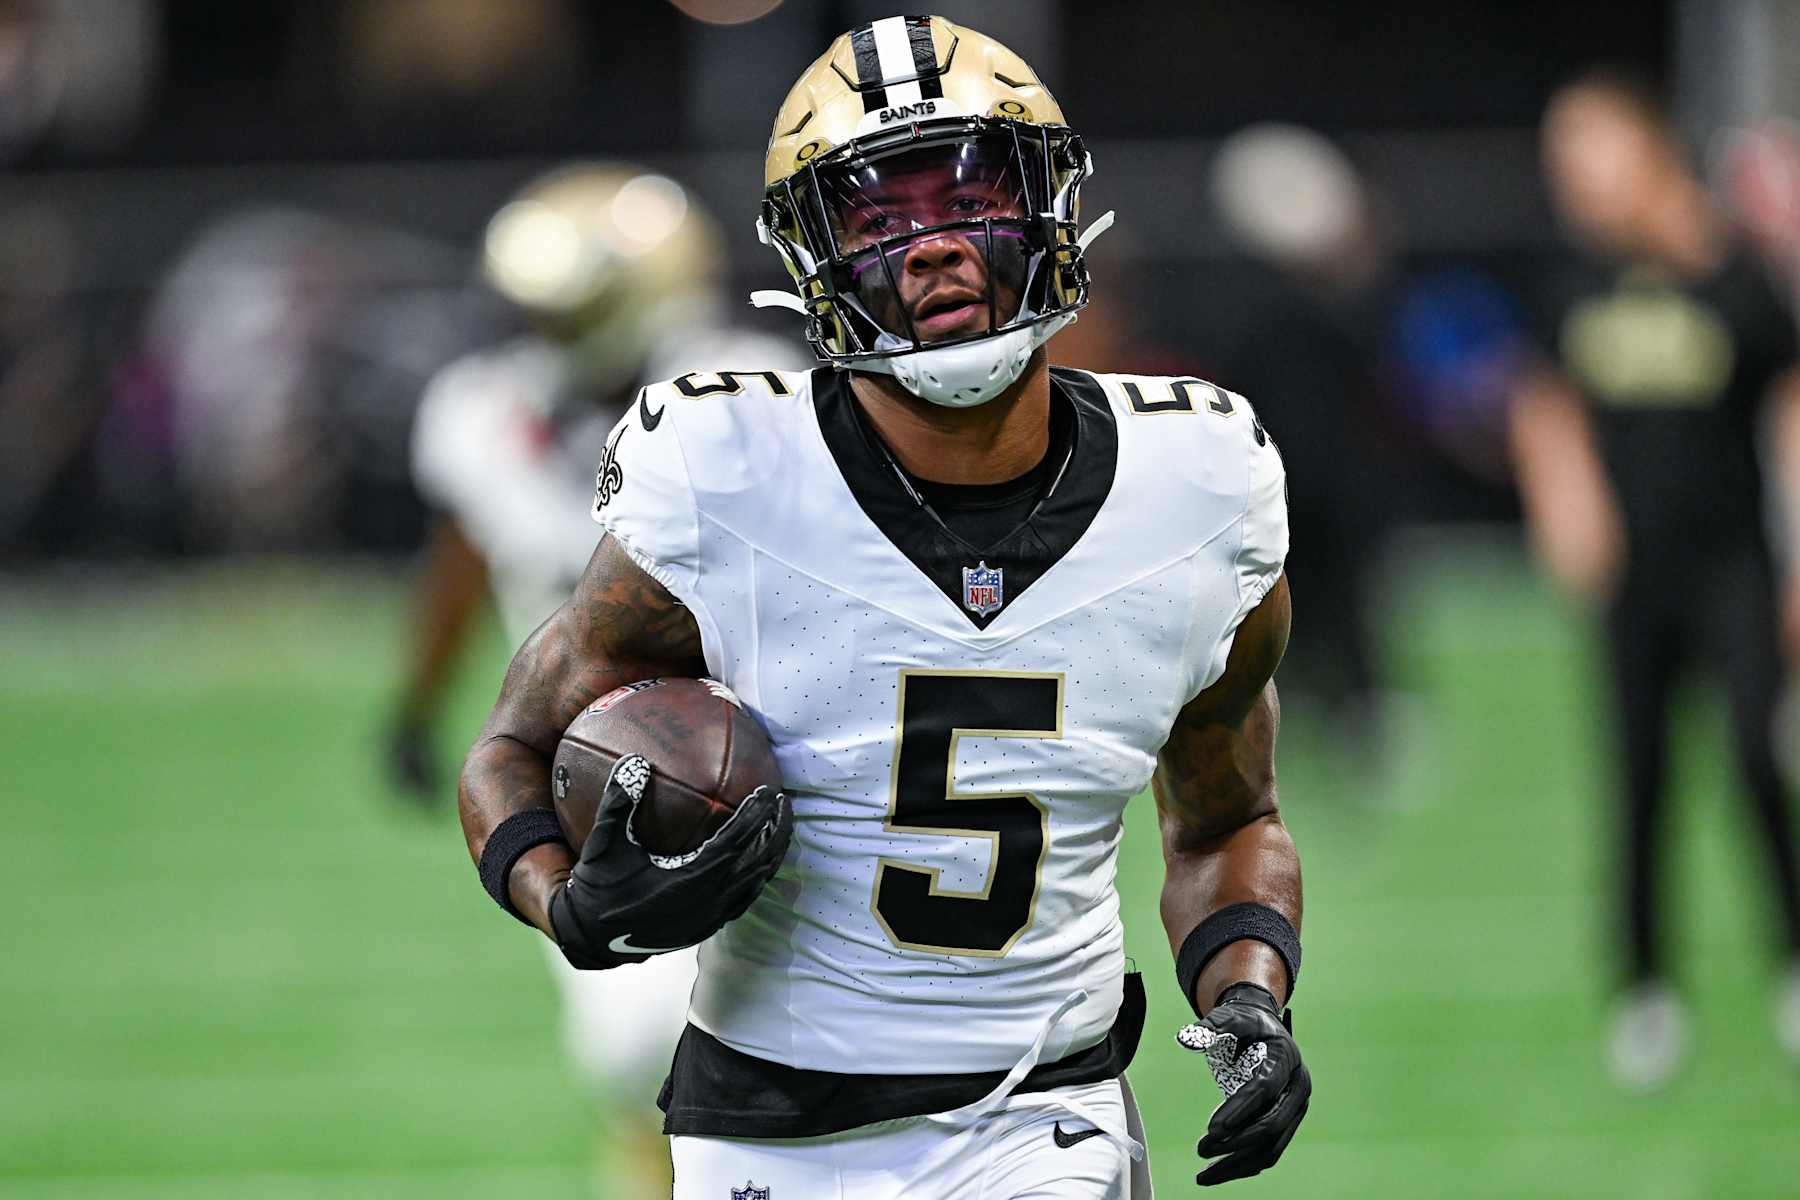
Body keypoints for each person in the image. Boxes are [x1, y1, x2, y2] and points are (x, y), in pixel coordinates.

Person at [459, 17, 1311, 1196]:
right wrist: (571, 903)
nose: (933, 248)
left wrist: (1250, 998)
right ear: (812, 260)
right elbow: (511, 745)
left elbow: (1226, 824)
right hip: (762, 1133)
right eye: (877, 219)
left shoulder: (1200, 485)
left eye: (970, 194)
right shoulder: (723, 468)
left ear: (1051, 208)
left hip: (1045, 1119)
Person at [397, 163, 805, 1191]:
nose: (544, 331)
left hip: (761, 742)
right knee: (633, 1051)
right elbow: (460, 561)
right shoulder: (483, 410)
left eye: (569, 308)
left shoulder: (739, 392)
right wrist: (417, 708)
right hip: (583, 771)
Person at [1510, 71, 1800, 1090]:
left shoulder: (1736, 276)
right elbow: (1543, 401)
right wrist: (1566, 496)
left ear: (1647, 149)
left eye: (1587, 150)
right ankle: (1645, 990)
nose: (1572, 178)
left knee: (1760, 761)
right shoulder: (1577, 281)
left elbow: (1789, 406)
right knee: (1639, 781)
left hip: (1734, 564)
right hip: (1634, 580)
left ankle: (1792, 960)